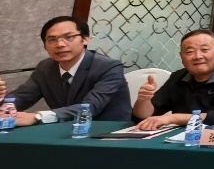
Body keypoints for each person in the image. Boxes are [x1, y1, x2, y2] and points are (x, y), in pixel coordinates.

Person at [0, 15, 130, 124]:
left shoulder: (109, 67)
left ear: (85, 39)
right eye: (52, 39)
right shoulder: (45, 67)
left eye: (69, 37)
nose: (60, 44)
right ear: (45, 45)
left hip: (107, 133)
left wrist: (38, 116)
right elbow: (21, 98)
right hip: (63, 131)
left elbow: (91, 107)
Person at [133, 30, 214, 129]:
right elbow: (145, 116)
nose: (198, 56)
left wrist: (173, 118)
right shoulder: (178, 77)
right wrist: (143, 100)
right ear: (181, 56)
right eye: (189, 52)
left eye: (204, 50)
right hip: (181, 140)